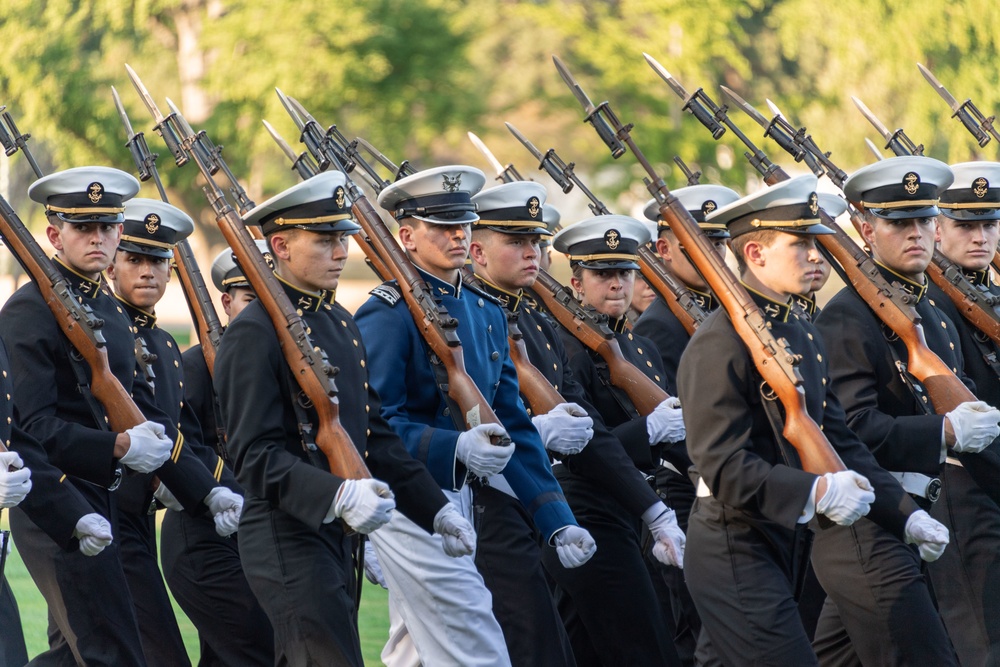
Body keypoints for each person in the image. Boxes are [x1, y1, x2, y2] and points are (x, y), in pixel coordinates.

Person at [680, 174, 952, 666]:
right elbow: (721, 466)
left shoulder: (801, 333)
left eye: (814, 242)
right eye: (799, 244)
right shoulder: (718, 344)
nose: (815, 255)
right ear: (755, 254)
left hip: (787, 538)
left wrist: (903, 514)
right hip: (732, 543)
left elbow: (841, 439)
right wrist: (815, 492)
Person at [214, 171, 472, 666]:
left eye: (343, 238)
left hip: (336, 534)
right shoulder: (253, 332)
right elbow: (254, 455)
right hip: (286, 537)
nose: (340, 251)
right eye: (325, 240)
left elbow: (374, 434)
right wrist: (337, 493)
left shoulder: (338, 322)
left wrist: (434, 508)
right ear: (280, 245)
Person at [356, 166, 594, 667]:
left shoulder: (484, 310)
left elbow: (512, 423)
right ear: (406, 236)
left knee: (418, 649)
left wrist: (555, 516)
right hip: (413, 494)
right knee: (470, 641)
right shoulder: (386, 312)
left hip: (467, 498)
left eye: (462, 224)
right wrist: (453, 448)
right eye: (441, 227)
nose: (457, 235)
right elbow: (376, 423)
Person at [0, 166, 226, 666]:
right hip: (52, 501)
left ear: (119, 231)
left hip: (105, 499)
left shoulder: (108, 307)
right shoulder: (29, 311)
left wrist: (202, 487)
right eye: (83, 228)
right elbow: (31, 428)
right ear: (54, 235)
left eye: (106, 228)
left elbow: (144, 410)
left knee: (87, 651)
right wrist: (117, 448)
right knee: (111, 651)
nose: (97, 238)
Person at [469, 182, 685, 666]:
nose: (533, 254)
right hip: (519, 508)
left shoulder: (541, 325)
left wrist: (653, 510)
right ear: (477, 250)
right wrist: (536, 438)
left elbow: (590, 434)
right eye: (518, 243)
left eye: (536, 243)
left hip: (559, 509)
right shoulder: (469, 318)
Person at [810, 158, 984, 665]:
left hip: (916, 518)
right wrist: (944, 430)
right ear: (865, 230)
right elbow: (853, 429)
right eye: (897, 223)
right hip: (866, 522)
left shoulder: (931, 312)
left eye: (924, 220)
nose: (916, 233)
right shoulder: (845, 316)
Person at [105, 198, 273, 667]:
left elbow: (171, 435)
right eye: (134, 259)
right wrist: (213, 492)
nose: (147, 272)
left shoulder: (161, 343)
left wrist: (206, 493)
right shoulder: (103, 332)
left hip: (138, 515)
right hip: (98, 508)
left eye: (159, 261)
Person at [634, 184, 740, 662]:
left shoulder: (724, 313)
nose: (712, 254)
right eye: (698, 243)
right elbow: (677, 428)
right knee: (698, 632)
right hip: (688, 494)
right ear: (663, 250)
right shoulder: (659, 324)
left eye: (718, 243)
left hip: (734, 487)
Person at [170, 240, 275, 667]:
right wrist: (225, 491)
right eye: (252, 298)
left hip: (261, 535)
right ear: (227, 302)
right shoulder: (194, 366)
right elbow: (184, 443)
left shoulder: (284, 363)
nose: (263, 308)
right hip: (205, 534)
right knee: (256, 649)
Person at [920, 161, 1000, 665]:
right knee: (983, 640)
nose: (979, 237)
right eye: (964, 226)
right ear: (938, 229)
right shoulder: (928, 307)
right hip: (966, 486)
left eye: (988, 224)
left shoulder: (992, 294)